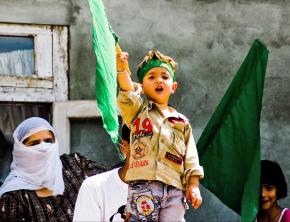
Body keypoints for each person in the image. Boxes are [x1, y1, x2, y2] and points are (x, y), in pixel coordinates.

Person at [117, 50, 204, 221]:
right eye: (151, 77)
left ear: (174, 87)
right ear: (141, 85)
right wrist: (121, 71)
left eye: (165, 77)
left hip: (175, 189)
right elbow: (127, 94)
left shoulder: (182, 122)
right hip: (144, 187)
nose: (159, 80)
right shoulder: (137, 112)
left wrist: (193, 185)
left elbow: (191, 158)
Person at [0, 117, 108, 221]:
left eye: (48, 141)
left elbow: (110, 181)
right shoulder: (13, 198)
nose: (43, 147)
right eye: (35, 143)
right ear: (21, 150)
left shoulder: (74, 164)